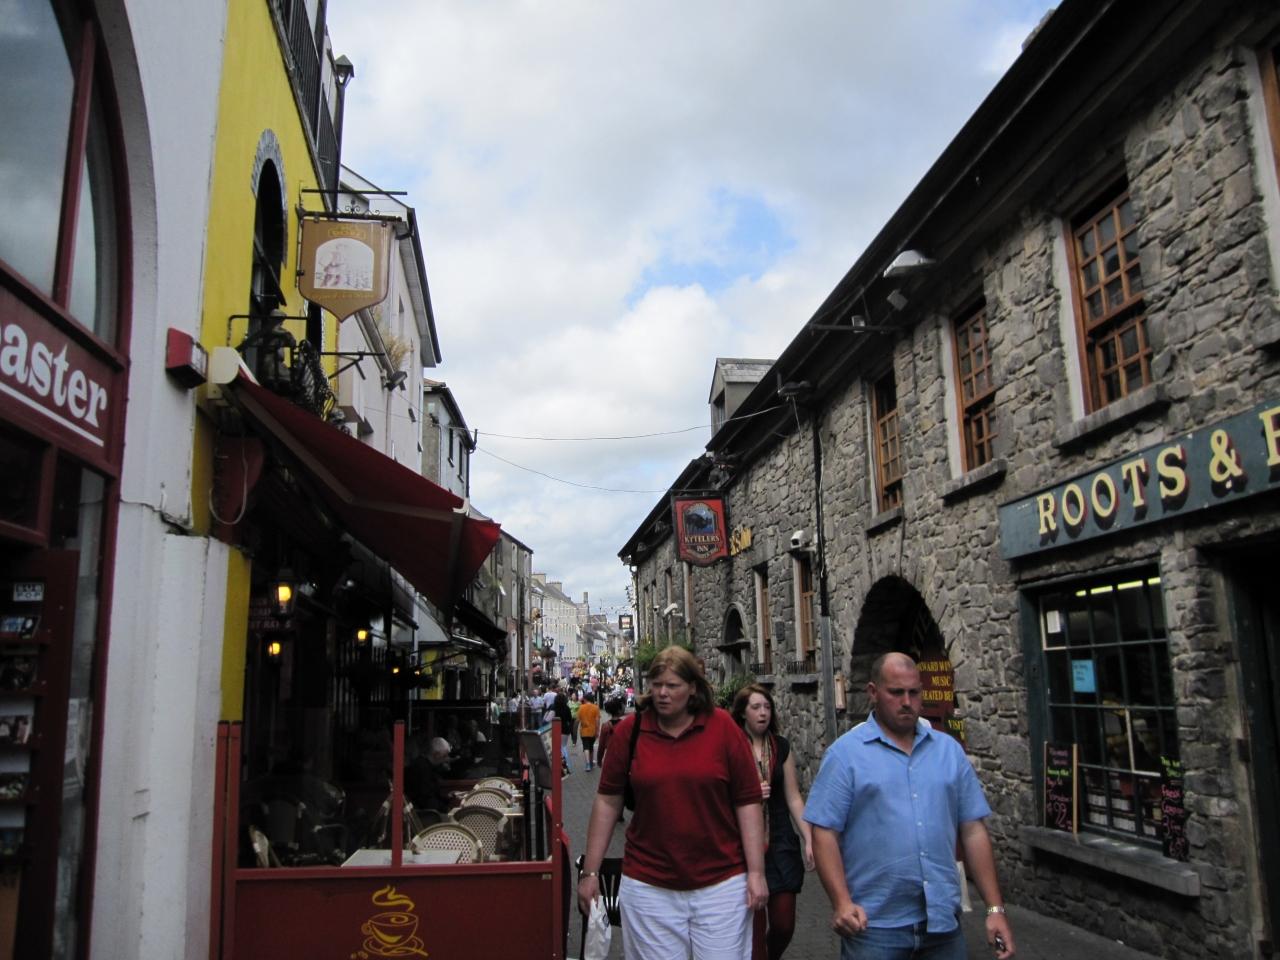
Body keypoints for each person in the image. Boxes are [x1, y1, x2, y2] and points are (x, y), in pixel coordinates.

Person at [804, 652, 1016, 960]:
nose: (907, 702)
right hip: (873, 927)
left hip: (942, 924)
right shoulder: (845, 756)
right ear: (873, 692)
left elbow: (973, 830)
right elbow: (825, 832)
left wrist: (995, 910)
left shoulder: (948, 751)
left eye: (914, 692)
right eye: (896, 692)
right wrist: (841, 902)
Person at [577, 646, 768, 960]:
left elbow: (747, 802)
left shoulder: (722, 728)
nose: (662, 693)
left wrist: (757, 872)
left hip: (721, 884)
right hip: (649, 885)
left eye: (672, 686)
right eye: (657, 685)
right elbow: (608, 802)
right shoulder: (630, 732)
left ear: (692, 688)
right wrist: (590, 873)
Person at [732, 684, 815, 960]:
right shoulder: (733, 747)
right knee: (752, 926)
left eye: (767, 707)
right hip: (744, 842)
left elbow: (794, 798)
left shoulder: (780, 747)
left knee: (783, 924)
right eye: (756, 707)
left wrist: (809, 838)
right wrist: (748, 793)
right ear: (742, 713)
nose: (763, 713)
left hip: (780, 840)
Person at [577, 691, 601, 771]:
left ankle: (588, 764)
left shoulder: (581, 707)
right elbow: (597, 721)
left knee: (586, 747)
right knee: (591, 747)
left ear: (585, 699)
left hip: (584, 731)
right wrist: (598, 731)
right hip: (593, 730)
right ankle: (591, 763)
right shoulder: (596, 708)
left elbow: (578, 720)